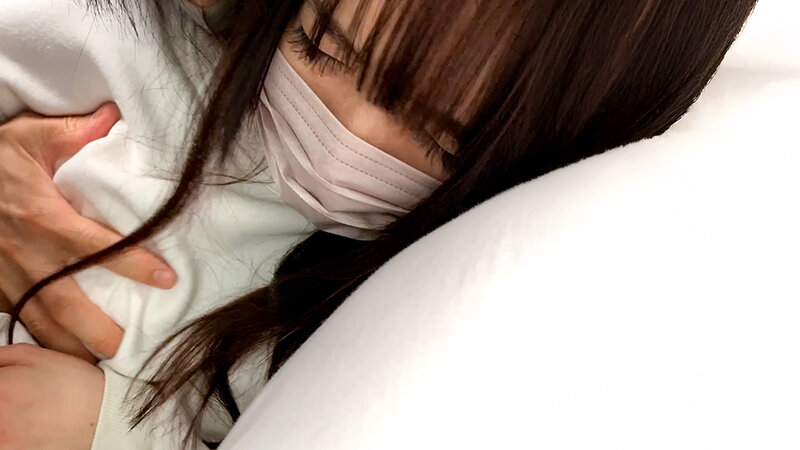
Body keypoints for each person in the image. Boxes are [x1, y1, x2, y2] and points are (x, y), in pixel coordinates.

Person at [0, 0, 759, 448]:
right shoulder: (139, 41)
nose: (347, 135)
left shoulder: (419, 314)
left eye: (437, 134)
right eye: (321, 46)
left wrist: (109, 431)